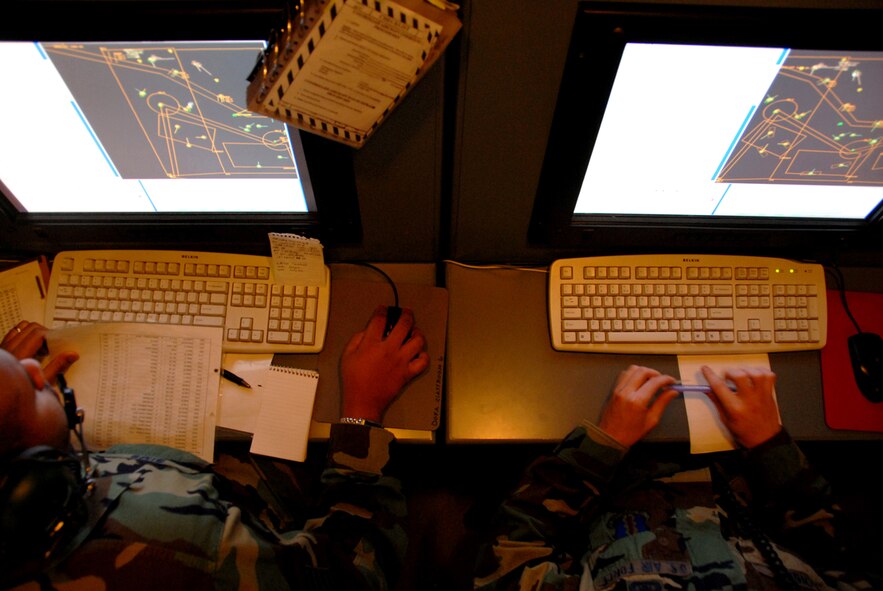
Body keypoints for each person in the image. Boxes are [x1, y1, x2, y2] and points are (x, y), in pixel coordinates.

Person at [0, 306, 429, 590]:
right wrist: (361, 411)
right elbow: (352, 576)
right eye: (28, 389)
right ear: (26, 488)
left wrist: (9, 394)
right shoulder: (169, 538)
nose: (35, 371)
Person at [473, 364, 879, 591]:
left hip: (601, 484)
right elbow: (844, 555)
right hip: (750, 472)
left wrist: (602, 445)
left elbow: (508, 564)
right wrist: (771, 445)